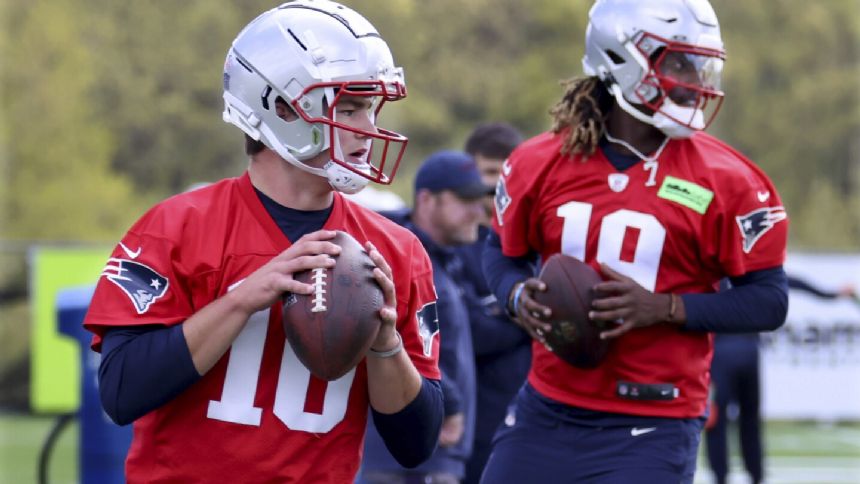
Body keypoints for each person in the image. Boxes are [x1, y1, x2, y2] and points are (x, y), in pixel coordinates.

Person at [82, 2, 444, 482]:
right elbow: (122, 392)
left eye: (372, 110)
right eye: (351, 108)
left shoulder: (394, 250)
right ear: (282, 107)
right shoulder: (177, 228)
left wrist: (384, 343)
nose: (370, 130)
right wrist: (241, 301)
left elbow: (416, 444)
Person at [480, 0, 790, 482]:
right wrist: (516, 296)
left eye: (701, 64)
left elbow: (769, 301)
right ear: (621, 57)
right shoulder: (539, 160)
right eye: (680, 62)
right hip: (548, 409)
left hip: (655, 420)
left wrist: (666, 308)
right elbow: (502, 252)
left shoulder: (730, 180)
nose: (699, 81)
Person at [360, 151, 487, 484]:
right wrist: (453, 405)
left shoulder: (449, 261)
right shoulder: (400, 259)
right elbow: (405, 339)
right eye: (465, 200)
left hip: (430, 451)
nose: (478, 211)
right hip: (404, 455)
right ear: (427, 199)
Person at [705, 276, 858, 484]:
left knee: (717, 421)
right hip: (749, 353)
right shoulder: (753, 272)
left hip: (721, 356)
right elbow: (794, 282)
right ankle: (756, 475)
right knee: (749, 420)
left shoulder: (714, 272)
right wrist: (832, 293)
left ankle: (721, 476)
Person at [456, 123, 531, 484]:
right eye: (489, 172)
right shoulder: (454, 246)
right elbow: (469, 331)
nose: (499, 183)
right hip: (470, 419)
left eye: (507, 172)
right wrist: (528, 321)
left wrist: (507, 313)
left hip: (528, 415)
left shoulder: (533, 241)